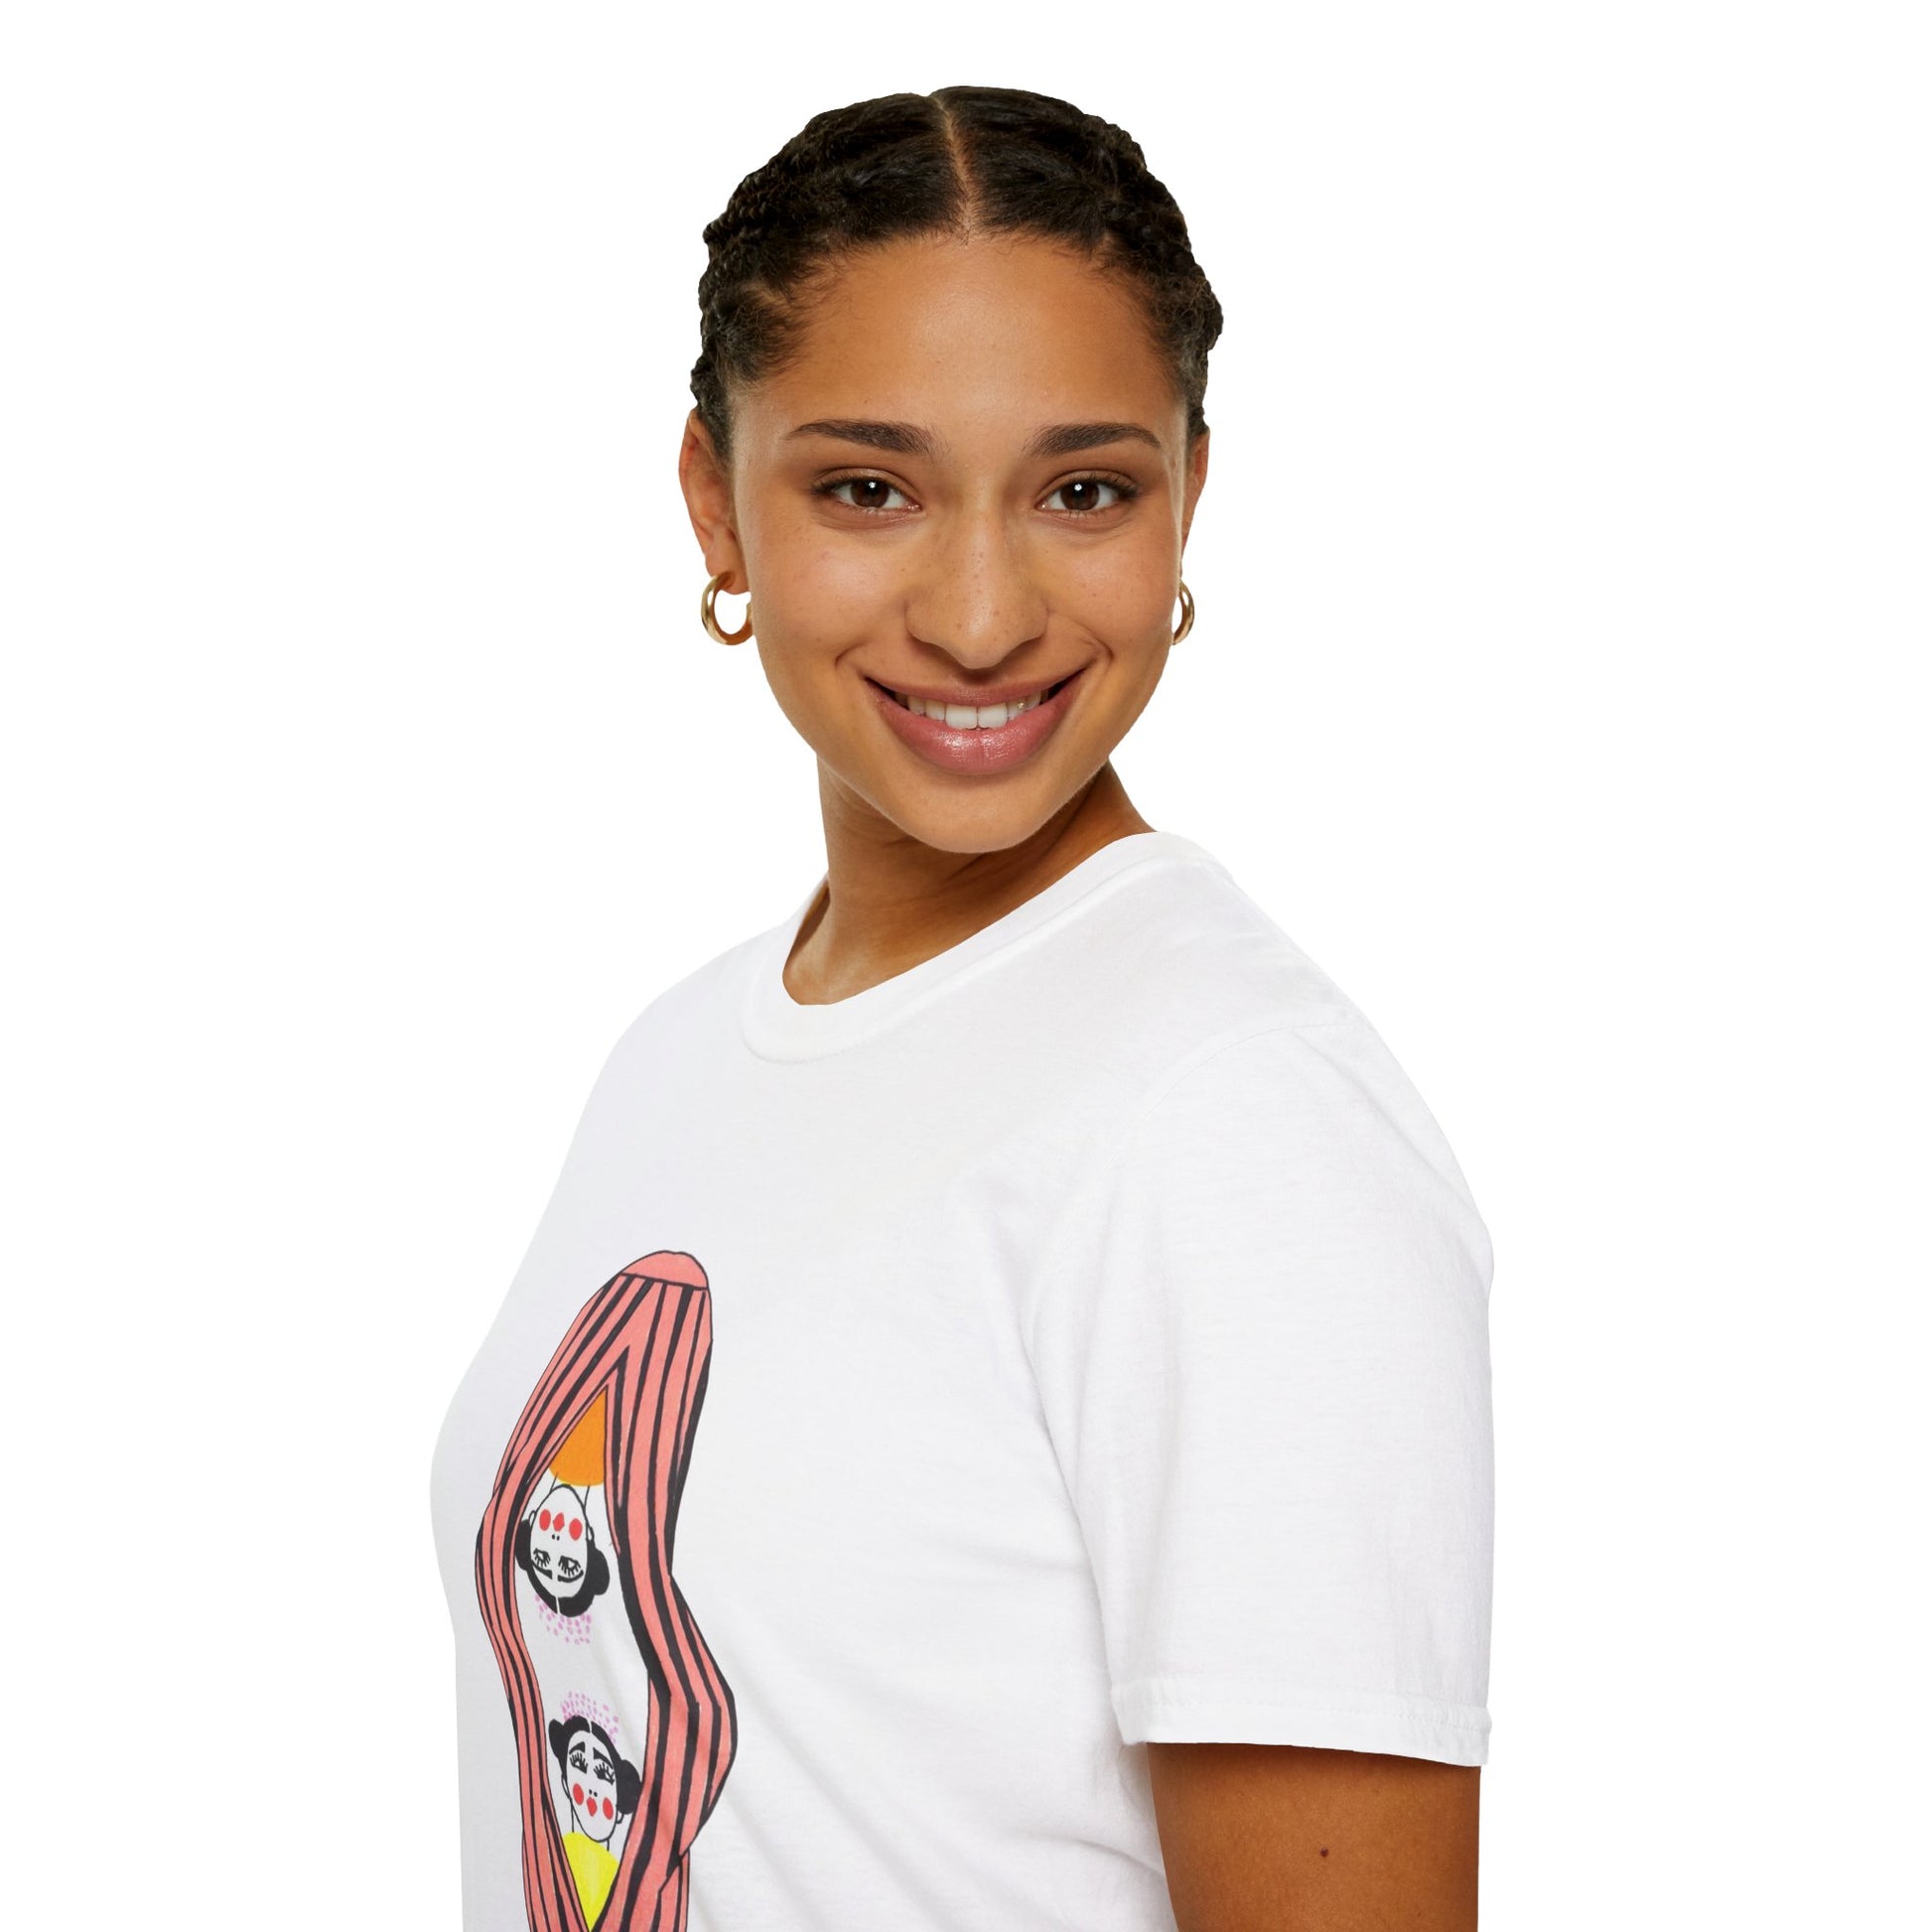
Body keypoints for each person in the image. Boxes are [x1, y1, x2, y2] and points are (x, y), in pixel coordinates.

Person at [431, 84, 1494, 1932]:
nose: (983, 613)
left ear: (1189, 497)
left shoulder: (1233, 1120)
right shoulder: (682, 1054)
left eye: (1085, 491)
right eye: (868, 487)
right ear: (714, 499)